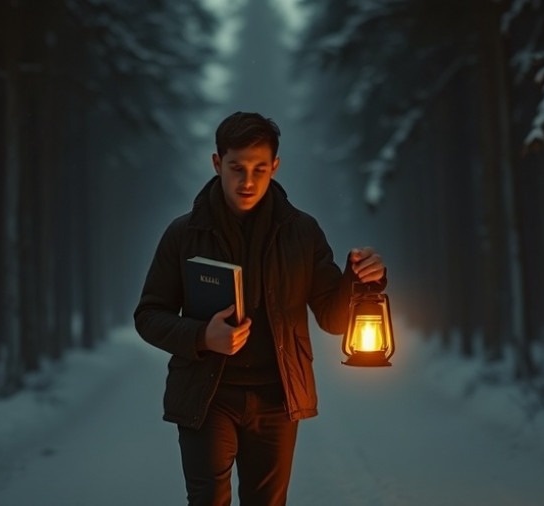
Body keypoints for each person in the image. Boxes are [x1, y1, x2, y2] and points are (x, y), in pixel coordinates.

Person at [134, 111, 387, 506]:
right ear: (217, 163)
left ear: (275, 167)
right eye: (236, 168)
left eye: (259, 169)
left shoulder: (302, 232)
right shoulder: (183, 234)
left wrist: (358, 279)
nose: (247, 181)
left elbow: (334, 320)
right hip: (206, 395)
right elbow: (148, 316)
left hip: (277, 398)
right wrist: (202, 336)